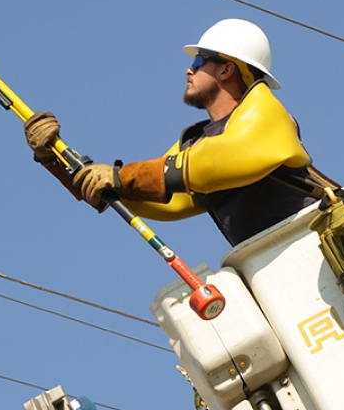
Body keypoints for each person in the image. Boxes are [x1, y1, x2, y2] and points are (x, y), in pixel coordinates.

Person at [25, 19, 324, 246]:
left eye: (198, 60)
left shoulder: (265, 112)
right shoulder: (196, 144)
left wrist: (119, 177)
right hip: (271, 262)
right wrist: (57, 160)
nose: (188, 70)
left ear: (226, 70)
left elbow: (218, 160)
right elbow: (161, 197)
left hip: (315, 245)